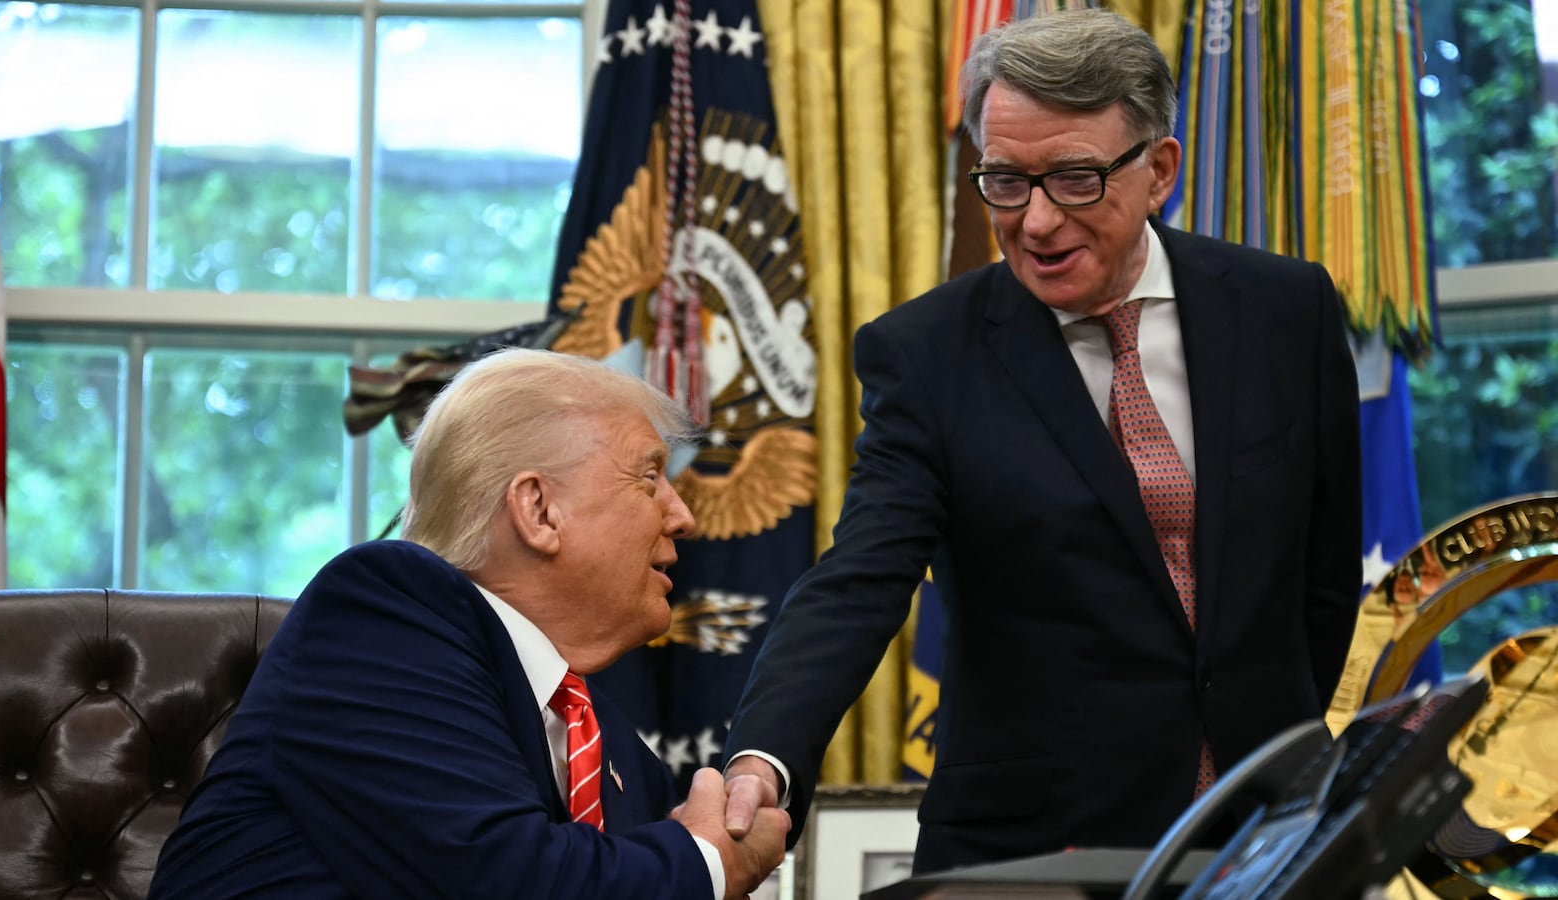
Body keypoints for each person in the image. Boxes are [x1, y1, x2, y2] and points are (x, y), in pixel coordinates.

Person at [720, 8, 1362, 875]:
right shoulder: (926, 354)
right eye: (1007, 182)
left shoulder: (1286, 311)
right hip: (1037, 849)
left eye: (1074, 179)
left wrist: (1272, 733)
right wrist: (766, 756)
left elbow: (1321, 580)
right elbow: (859, 580)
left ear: (1158, 170)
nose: (1037, 222)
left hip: (1268, 831)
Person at [150, 348, 788, 899]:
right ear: (538, 510)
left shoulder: (619, 754)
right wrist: (710, 860)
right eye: (649, 476)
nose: (684, 518)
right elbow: (507, 881)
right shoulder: (379, 618)